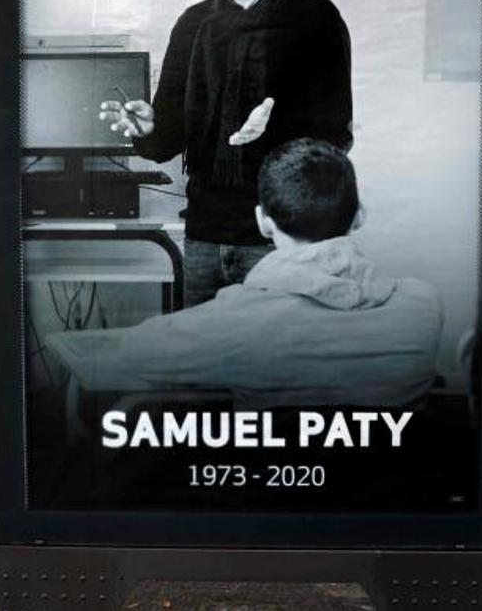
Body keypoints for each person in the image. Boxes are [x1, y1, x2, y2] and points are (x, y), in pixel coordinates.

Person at [100, 0, 353, 306]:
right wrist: (144, 127)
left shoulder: (318, 21)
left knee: (273, 370)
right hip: (203, 238)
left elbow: (336, 144)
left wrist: (273, 134)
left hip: (280, 244)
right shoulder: (193, 24)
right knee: (203, 370)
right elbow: (164, 144)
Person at [45, 139, 443, 409]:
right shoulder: (423, 307)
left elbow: (133, 355)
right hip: (377, 508)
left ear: (263, 222)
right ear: (360, 216)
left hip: (272, 510)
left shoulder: (231, 321)